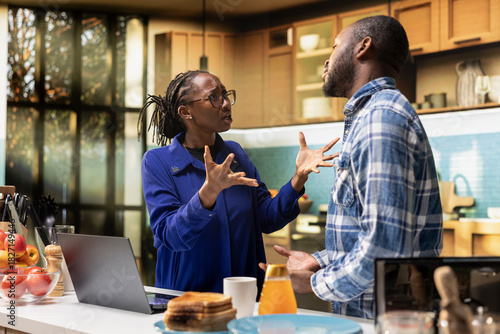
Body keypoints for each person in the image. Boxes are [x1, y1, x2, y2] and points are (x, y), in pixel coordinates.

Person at [264, 15, 443, 319]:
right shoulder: (373, 116)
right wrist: (320, 261)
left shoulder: (380, 120)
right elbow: (368, 233)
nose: (326, 60)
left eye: (334, 47)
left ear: (363, 47)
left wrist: (315, 282)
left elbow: (384, 248)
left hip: (381, 319)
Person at [138, 70, 339, 294]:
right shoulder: (158, 161)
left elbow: (265, 217)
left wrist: (298, 178)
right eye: (214, 97)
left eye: (225, 94)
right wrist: (207, 195)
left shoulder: (234, 153)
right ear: (186, 112)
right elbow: (170, 236)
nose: (225, 103)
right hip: (185, 299)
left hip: (243, 297)